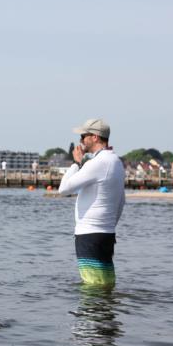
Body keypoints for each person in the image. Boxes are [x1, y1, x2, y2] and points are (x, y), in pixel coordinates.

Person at [58, 119, 125, 287]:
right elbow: (121, 200)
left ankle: (93, 313)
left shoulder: (98, 162)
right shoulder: (116, 161)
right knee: (105, 283)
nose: (81, 140)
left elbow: (64, 189)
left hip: (90, 234)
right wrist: (109, 225)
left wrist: (76, 163)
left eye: (83, 136)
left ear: (95, 137)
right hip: (106, 233)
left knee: (93, 286)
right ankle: (107, 312)